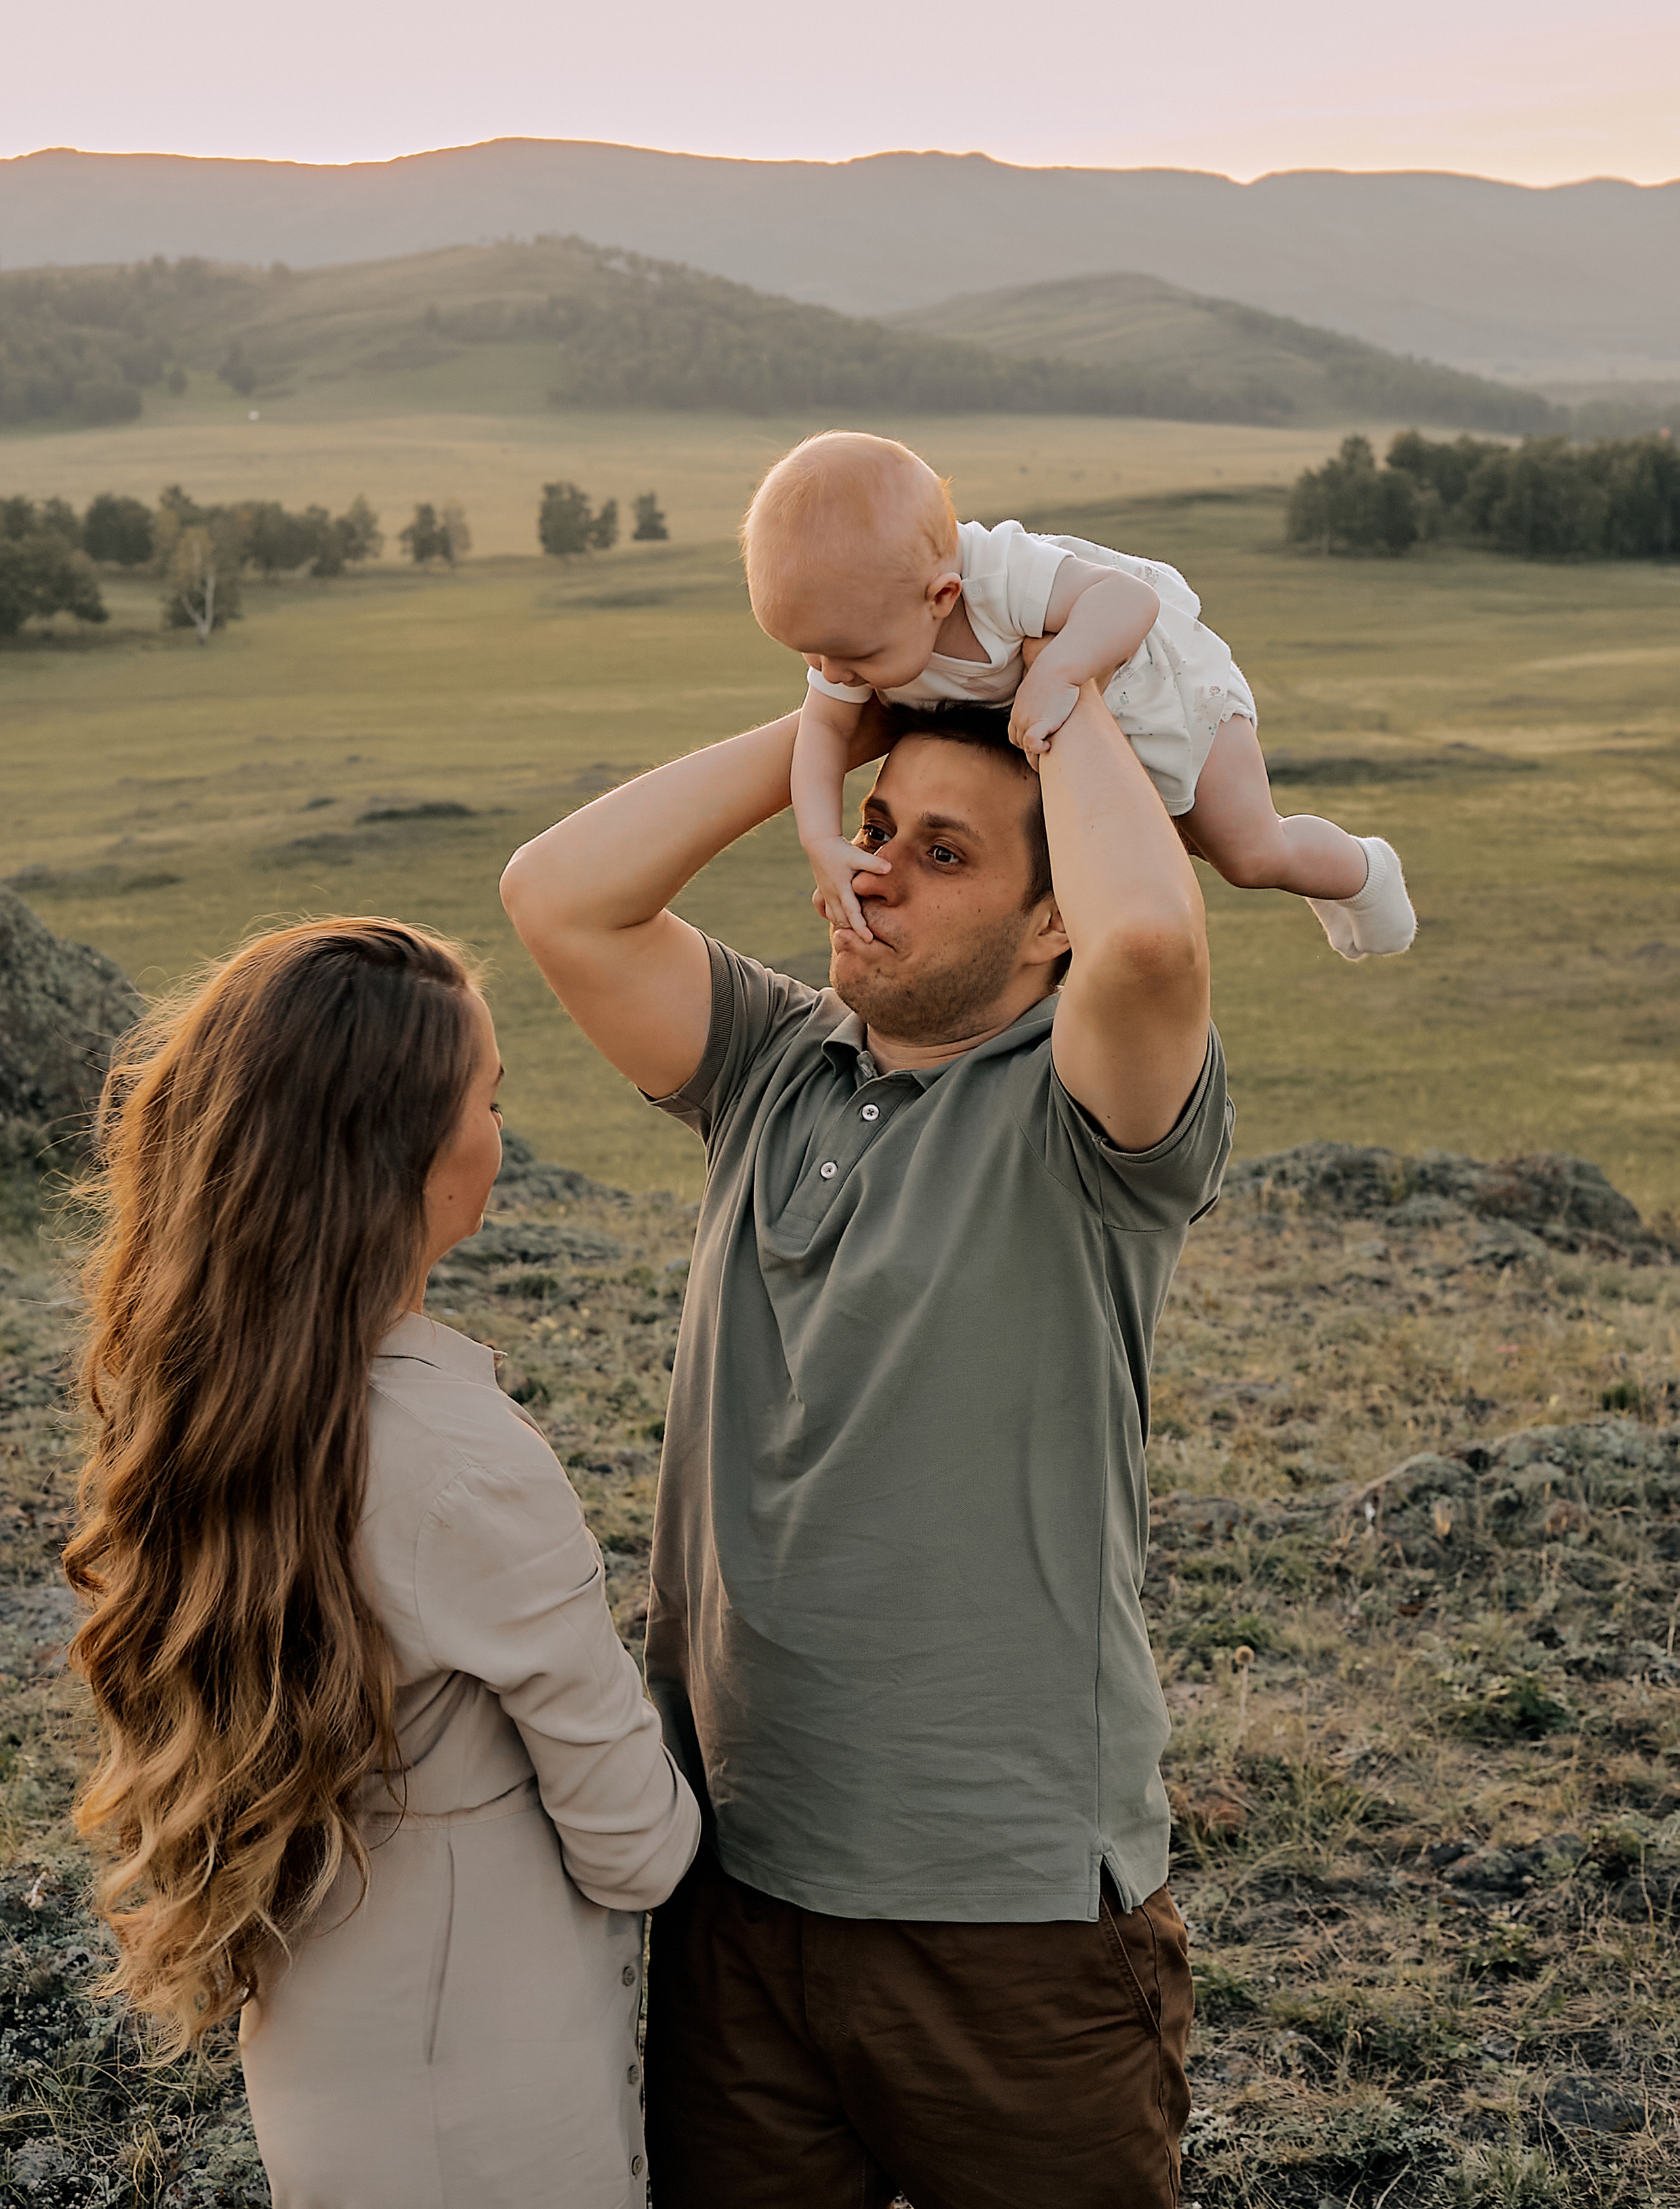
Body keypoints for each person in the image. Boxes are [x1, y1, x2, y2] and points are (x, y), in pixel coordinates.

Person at [501, 665, 1233, 2208]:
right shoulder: (774, 1059)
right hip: (738, 1879)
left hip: (1005, 1911)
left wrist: (1057, 680)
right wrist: (838, 721)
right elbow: (557, 895)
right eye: (870, 827)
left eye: (942, 853)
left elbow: (1155, 937)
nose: (870, 867)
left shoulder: (1085, 1121)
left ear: (1052, 922)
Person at [64, 917, 698, 2209]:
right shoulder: (460, 1465)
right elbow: (639, 1849)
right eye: (488, 1099)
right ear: (392, 1158)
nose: (497, 1136)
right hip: (490, 2113)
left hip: (332, 2066)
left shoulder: (206, 1401)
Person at [744, 427, 1415, 961]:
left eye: (854, 656)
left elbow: (1127, 599)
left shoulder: (1002, 578)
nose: (831, 672)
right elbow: (823, 732)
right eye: (808, 652)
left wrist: (1060, 669)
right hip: (1088, 758)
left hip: (1168, 702)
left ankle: (1363, 871)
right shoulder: (861, 622)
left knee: (1246, 853)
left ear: (941, 597)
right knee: (1167, 850)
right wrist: (818, 839)